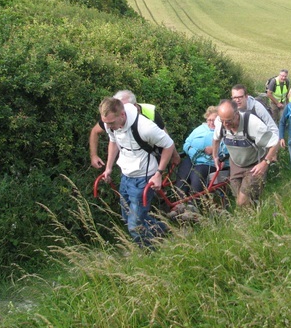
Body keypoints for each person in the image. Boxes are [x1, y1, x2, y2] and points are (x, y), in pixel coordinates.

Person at [99, 97, 176, 247]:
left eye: (111, 123)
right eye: (106, 123)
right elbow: (113, 142)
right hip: (126, 175)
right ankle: (166, 229)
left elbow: (169, 144)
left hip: (144, 177)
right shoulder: (110, 124)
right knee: (128, 217)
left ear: (122, 115)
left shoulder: (144, 126)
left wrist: (159, 174)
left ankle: (151, 253)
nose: (108, 127)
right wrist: (108, 168)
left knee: (134, 225)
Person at [211, 99, 279, 208]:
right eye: (223, 120)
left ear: (236, 114)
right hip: (236, 164)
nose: (225, 124)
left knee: (241, 201)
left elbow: (275, 143)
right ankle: (255, 217)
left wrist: (265, 162)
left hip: (254, 164)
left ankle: (258, 211)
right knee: (240, 199)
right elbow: (216, 139)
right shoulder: (221, 122)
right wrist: (215, 156)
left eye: (228, 120)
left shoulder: (253, 124)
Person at [89, 90, 180, 169]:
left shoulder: (150, 114)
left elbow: (166, 137)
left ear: (135, 106)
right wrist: (94, 156)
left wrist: (175, 155)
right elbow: (95, 131)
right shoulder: (111, 118)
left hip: (153, 154)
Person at [175, 106, 229, 197]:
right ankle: (179, 201)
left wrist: (214, 150)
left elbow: (229, 149)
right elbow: (186, 144)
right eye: (209, 120)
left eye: (214, 120)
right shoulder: (199, 129)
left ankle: (193, 204)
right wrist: (192, 151)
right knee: (183, 171)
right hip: (193, 157)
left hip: (210, 162)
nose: (211, 123)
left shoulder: (225, 131)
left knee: (196, 173)